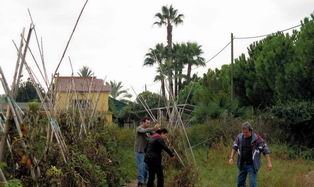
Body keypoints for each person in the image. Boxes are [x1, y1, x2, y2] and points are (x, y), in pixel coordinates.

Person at [228, 122, 272, 187]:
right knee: (240, 184)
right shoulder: (239, 137)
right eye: (243, 132)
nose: (244, 134)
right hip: (242, 164)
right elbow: (235, 146)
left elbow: (265, 150)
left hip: (252, 165)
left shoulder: (257, 139)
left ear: (250, 130)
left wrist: (269, 163)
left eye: (246, 132)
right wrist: (231, 157)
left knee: (252, 184)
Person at [135, 117, 156, 187]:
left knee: (146, 167)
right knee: (141, 167)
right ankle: (140, 182)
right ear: (143, 122)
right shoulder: (139, 128)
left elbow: (154, 135)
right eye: (147, 123)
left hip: (146, 152)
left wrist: (159, 131)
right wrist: (153, 128)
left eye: (149, 123)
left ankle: (146, 182)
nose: (148, 124)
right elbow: (143, 131)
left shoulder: (148, 131)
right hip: (140, 151)